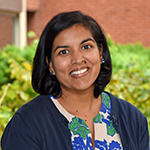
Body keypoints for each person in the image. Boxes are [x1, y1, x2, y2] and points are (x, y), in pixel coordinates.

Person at [1, 11, 149, 150]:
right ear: (50, 64)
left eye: (86, 47)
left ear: (100, 52)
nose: (77, 59)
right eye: (63, 52)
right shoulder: (27, 123)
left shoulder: (133, 118)